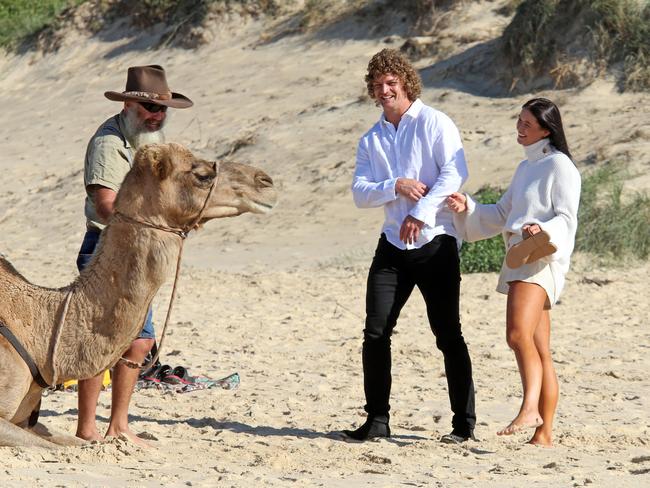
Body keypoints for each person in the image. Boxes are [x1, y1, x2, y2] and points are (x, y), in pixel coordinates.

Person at [344, 49, 477, 444]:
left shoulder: (436, 122)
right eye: (377, 85)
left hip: (435, 242)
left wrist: (419, 211)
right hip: (391, 247)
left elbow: (456, 171)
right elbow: (359, 193)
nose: (384, 90)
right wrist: (395, 186)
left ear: (405, 84)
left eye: (391, 83)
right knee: (375, 333)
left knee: (447, 333)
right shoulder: (372, 138)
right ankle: (378, 420)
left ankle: (463, 425)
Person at [447, 98, 581, 446]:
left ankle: (530, 409)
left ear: (546, 129)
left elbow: (567, 218)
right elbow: (503, 213)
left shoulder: (559, 165)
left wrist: (543, 229)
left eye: (526, 124)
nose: (519, 128)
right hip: (519, 256)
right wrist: (469, 207)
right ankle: (545, 433)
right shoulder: (525, 168)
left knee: (516, 336)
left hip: (539, 258)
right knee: (539, 347)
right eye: (518, 121)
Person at [75, 64, 193, 445]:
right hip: (106, 250)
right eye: (151, 109)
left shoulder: (151, 141)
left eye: (162, 110)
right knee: (100, 341)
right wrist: (153, 223)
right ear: (129, 104)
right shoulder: (109, 143)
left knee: (140, 342)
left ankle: (119, 426)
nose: (158, 116)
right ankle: (87, 429)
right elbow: (106, 205)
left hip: (139, 251)